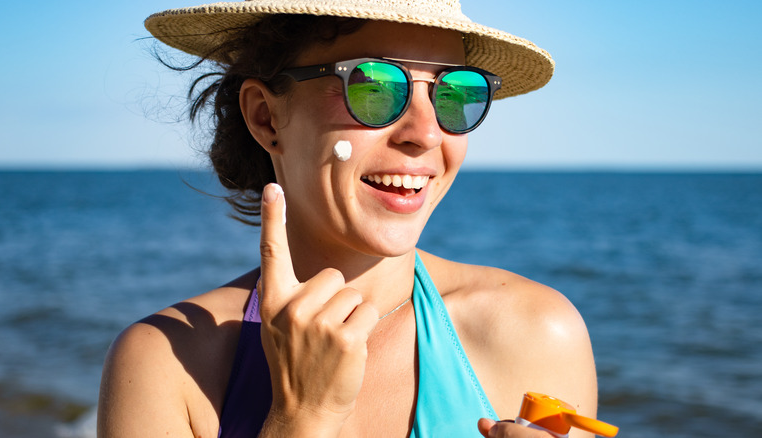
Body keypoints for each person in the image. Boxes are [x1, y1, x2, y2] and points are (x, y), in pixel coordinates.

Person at [97, 1, 598, 437]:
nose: (425, 134)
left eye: (452, 94)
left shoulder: (536, 335)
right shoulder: (165, 363)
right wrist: (302, 419)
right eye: (374, 86)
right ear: (266, 117)